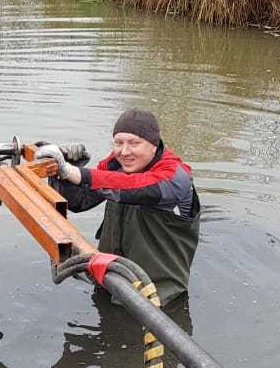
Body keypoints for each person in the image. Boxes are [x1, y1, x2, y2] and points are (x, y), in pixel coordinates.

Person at [36, 108, 201, 305]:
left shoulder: (175, 177)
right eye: (118, 143)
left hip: (158, 297)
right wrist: (69, 172)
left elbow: (132, 187)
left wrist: (74, 172)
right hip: (110, 280)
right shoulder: (118, 163)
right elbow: (80, 202)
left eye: (134, 143)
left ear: (154, 145)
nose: (124, 152)